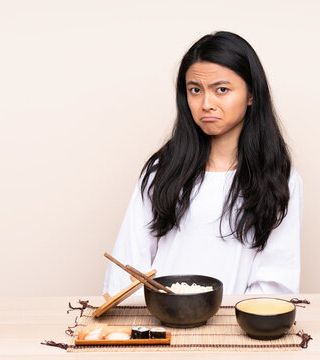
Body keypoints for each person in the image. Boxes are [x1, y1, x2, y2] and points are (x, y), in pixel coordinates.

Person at [102, 31, 303, 296]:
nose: (206, 104)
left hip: (237, 329)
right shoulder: (162, 171)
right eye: (195, 90)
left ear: (251, 94)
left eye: (222, 90)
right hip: (160, 325)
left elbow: (276, 279)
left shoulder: (280, 180)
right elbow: (128, 267)